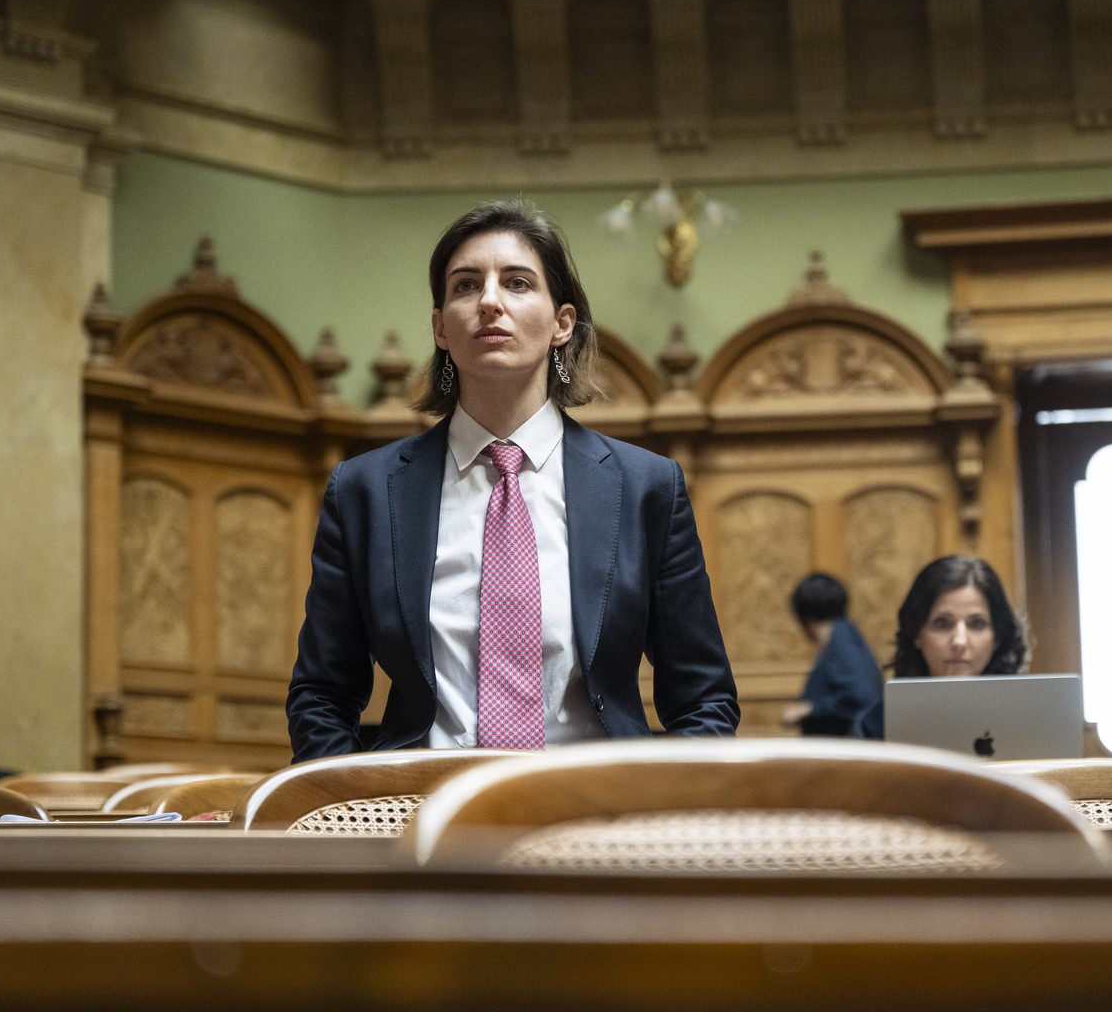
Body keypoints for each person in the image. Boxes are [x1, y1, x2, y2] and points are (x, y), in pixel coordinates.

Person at [286, 199, 740, 762]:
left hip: (601, 814)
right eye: (466, 286)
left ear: (561, 323)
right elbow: (322, 695)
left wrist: (657, 816)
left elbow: (703, 698)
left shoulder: (646, 487)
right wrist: (349, 815)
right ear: (441, 328)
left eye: (518, 283)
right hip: (421, 814)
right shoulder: (366, 492)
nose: (490, 302)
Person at [854, 554, 1029, 738]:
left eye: (976, 624)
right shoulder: (877, 724)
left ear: (997, 638)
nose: (959, 641)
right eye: (942, 624)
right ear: (916, 634)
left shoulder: (1029, 716)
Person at [780, 573, 884, 736]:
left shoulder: (841, 640)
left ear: (803, 614)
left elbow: (863, 695)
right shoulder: (844, 635)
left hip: (846, 754)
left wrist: (809, 709)